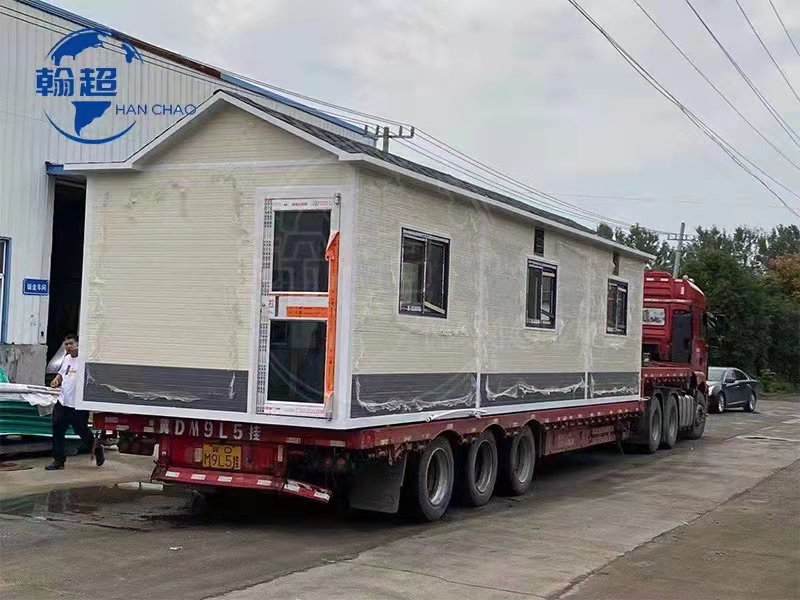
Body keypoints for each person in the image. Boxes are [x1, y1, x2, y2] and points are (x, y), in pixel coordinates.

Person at [45, 333, 104, 470]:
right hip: (63, 401)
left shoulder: (84, 360)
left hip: (78, 403)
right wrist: (56, 380)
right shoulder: (66, 359)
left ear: (78, 344)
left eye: (71, 343)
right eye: (66, 344)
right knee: (57, 429)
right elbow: (61, 373)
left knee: (81, 430)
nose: (68, 346)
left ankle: (97, 449)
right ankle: (59, 460)